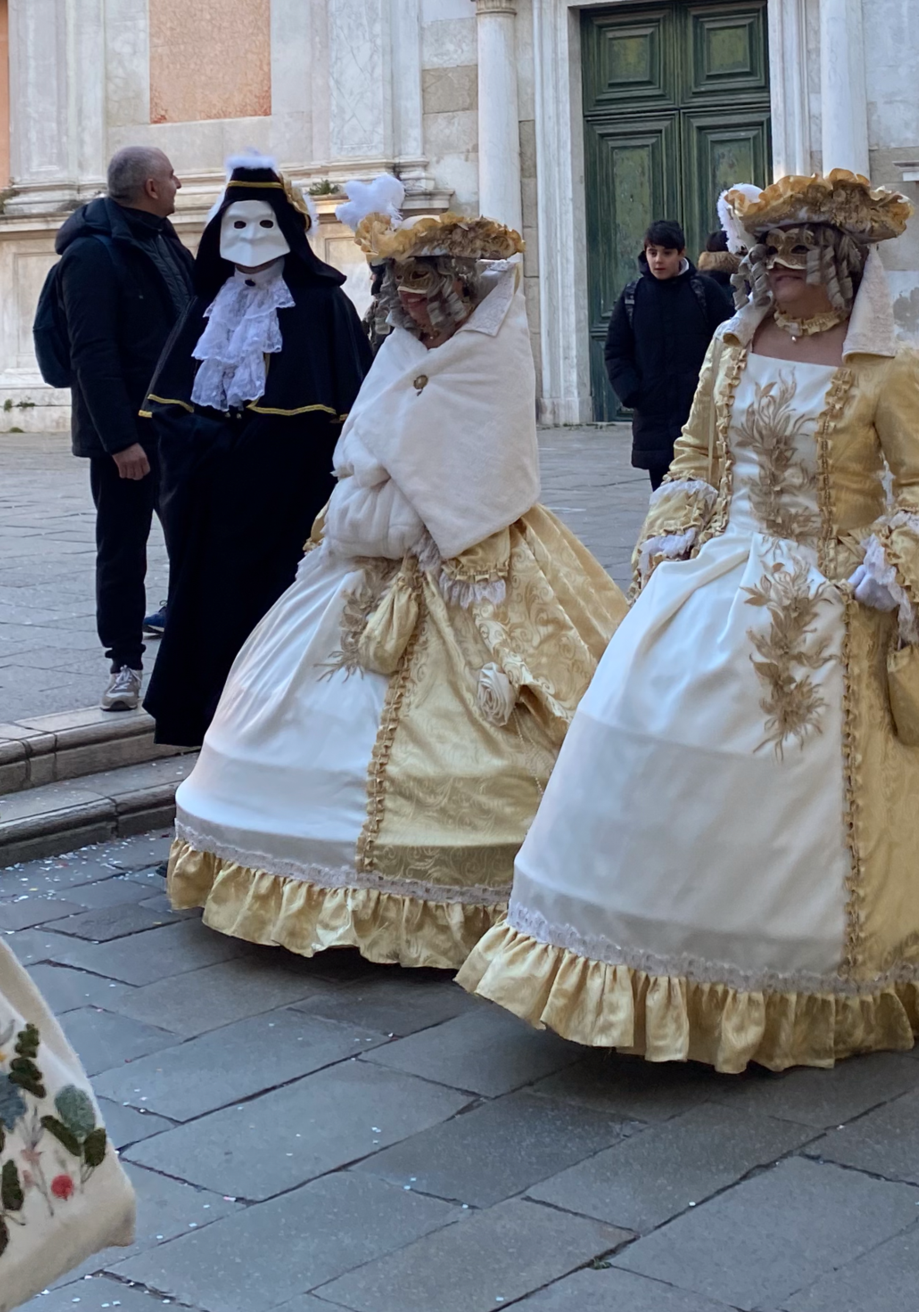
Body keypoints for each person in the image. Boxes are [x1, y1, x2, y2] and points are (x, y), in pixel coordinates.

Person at [459, 169, 919, 1072]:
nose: (777, 271)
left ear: (841, 262)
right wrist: (678, 526)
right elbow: (694, 454)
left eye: (798, 255)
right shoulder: (732, 345)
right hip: (720, 574)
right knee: (646, 723)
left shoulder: (883, 368)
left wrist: (898, 555)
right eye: (770, 254)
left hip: (835, 589)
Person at [170, 189, 624, 966]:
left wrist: (400, 487)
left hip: (471, 548)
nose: (412, 310)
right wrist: (370, 488)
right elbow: (365, 434)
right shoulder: (399, 346)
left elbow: (487, 452)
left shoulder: (494, 346)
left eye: (424, 291)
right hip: (367, 558)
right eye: (401, 294)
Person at [137, 160, 373, 750]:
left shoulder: (322, 307)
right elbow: (170, 401)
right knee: (210, 604)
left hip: (286, 496)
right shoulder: (208, 306)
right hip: (212, 492)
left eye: (262, 224)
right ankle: (213, 713)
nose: (246, 238)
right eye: (234, 224)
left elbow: (335, 412)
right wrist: (201, 443)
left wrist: (257, 447)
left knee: (280, 607)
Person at [54, 145, 195, 711]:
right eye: (172, 175)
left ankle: (192, 654)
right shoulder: (92, 253)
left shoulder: (164, 240)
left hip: (178, 428)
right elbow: (92, 352)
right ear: (151, 187)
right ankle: (124, 663)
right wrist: (120, 440)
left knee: (192, 543)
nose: (180, 181)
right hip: (127, 438)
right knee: (122, 550)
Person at [603, 218, 734, 489]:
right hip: (654, 417)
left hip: (699, 413)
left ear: (681, 253)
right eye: (652, 253)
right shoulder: (633, 296)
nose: (658, 260)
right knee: (663, 501)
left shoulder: (704, 291)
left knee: (704, 495)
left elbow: (730, 343)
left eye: (666, 253)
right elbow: (616, 349)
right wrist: (632, 391)